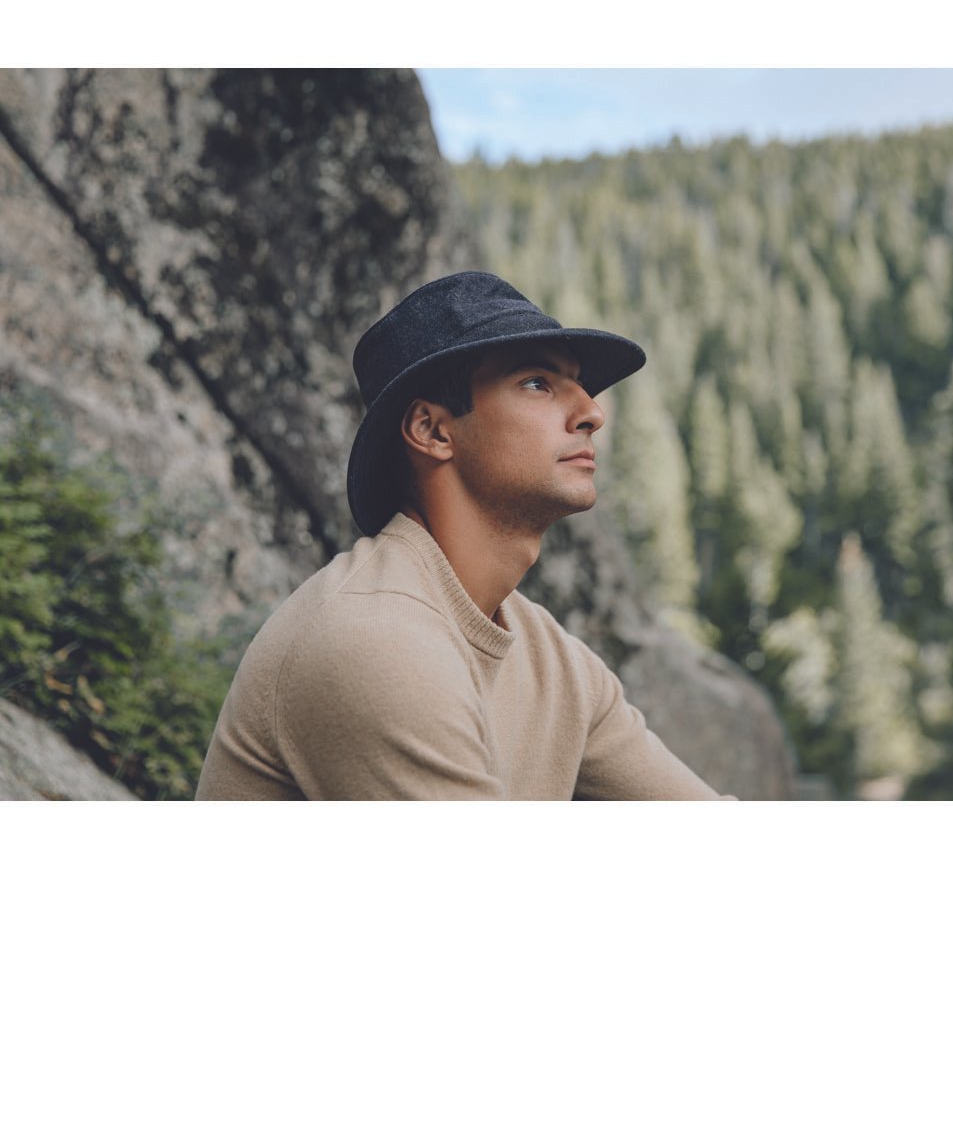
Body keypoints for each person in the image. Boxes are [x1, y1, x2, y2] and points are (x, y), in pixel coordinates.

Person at [196, 271, 730, 800]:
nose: (591, 412)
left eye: (581, 386)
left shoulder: (552, 659)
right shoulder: (375, 640)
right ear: (432, 431)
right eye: (537, 383)